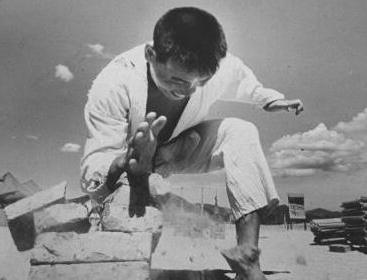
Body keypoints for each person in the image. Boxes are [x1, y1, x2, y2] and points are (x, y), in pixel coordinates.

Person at [80, 7, 303, 280]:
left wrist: (268, 99)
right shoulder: (114, 82)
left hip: (182, 148)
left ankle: (247, 256)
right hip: (131, 165)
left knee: (242, 132)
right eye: (176, 79)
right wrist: (121, 164)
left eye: (201, 82)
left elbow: (240, 77)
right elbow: (96, 164)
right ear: (151, 54)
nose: (187, 90)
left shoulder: (218, 66)